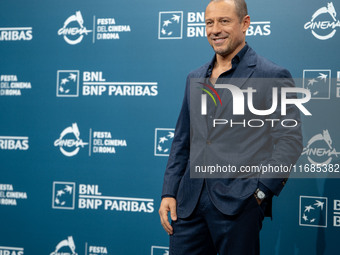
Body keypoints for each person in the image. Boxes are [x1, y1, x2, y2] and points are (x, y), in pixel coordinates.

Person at [159, 0, 303, 254]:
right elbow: (182, 140)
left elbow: (289, 142)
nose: (215, 29)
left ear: (245, 24)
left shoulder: (271, 75)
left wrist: (259, 195)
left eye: (224, 21)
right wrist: (169, 192)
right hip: (189, 205)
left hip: (239, 204)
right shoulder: (195, 77)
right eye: (209, 23)